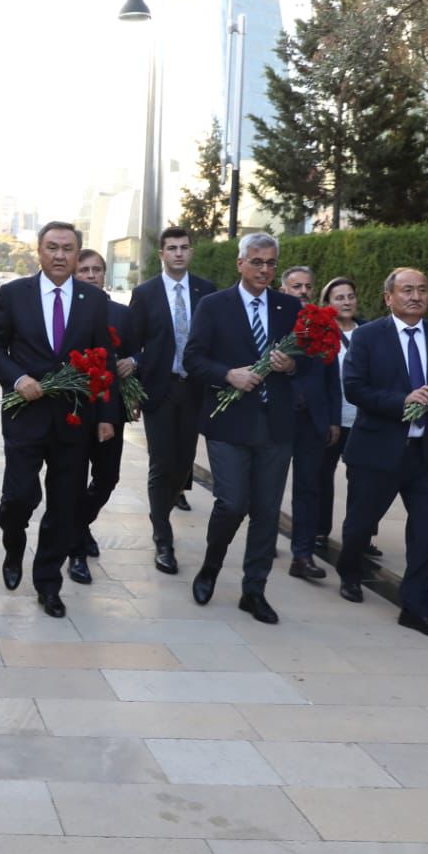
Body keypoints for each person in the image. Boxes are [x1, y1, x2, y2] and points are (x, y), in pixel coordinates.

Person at [0, 221, 120, 618]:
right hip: (26, 416)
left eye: (67, 248)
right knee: (20, 498)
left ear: (78, 254)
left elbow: (105, 359)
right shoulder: (14, 294)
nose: (59, 255)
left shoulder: (93, 301)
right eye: (52, 247)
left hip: (74, 419)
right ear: (38, 251)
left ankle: (48, 583)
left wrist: (107, 414)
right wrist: (17, 377)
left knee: (63, 505)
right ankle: (13, 546)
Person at [337, 267, 428, 639]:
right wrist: (401, 401)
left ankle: (416, 607)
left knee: (426, 534)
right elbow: (355, 389)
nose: (415, 296)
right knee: (360, 524)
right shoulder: (367, 336)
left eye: (422, 290)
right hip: (378, 449)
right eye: (407, 290)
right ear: (388, 297)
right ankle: (348, 569)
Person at [182, 233, 300, 625]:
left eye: (270, 263)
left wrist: (292, 366)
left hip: (275, 425)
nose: (264, 270)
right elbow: (194, 359)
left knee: (267, 511)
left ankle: (254, 590)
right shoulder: (214, 305)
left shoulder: (290, 307)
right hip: (228, 422)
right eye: (257, 262)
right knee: (232, 503)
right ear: (240, 263)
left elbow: (312, 361)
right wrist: (227, 374)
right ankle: (211, 567)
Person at [127, 227, 217, 574]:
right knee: (161, 463)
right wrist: (133, 391)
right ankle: (162, 536)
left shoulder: (206, 291)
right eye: (171, 248)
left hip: (195, 389)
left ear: (191, 252)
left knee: (183, 464)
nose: (178, 253)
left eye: (184, 248)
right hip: (160, 388)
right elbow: (134, 345)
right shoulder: (145, 293)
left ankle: (166, 501)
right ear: (162, 254)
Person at [70, 249, 139, 582]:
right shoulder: (64, 310)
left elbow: (142, 347)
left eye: (97, 269)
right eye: (84, 269)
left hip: (110, 406)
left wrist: (134, 363)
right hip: (73, 408)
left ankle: (81, 524)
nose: (91, 275)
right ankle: (75, 551)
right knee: (71, 480)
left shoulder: (122, 314)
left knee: (107, 477)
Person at [284, 266, 341, 583]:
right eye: (296, 286)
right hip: (279, 417)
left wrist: (333, 418)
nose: (303, 291)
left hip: (313, 419)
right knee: (269, 486)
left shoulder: (325, 324)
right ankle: (264, 543)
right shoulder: (279, 321)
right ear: (285, 290)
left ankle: (302, 555)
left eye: (307, 285)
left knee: (308, 488)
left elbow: (333, 374)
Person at [315, 277, 375, 556]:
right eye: (339, 297)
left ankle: (361, 535)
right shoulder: (321, 332)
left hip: (363, 420)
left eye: (350, 296)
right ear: (327, 303)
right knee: (323, 477)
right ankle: (319, 531)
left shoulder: (368, 332)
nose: (347, 302)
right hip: (333, 419)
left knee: (364, 481)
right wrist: (329, 419)